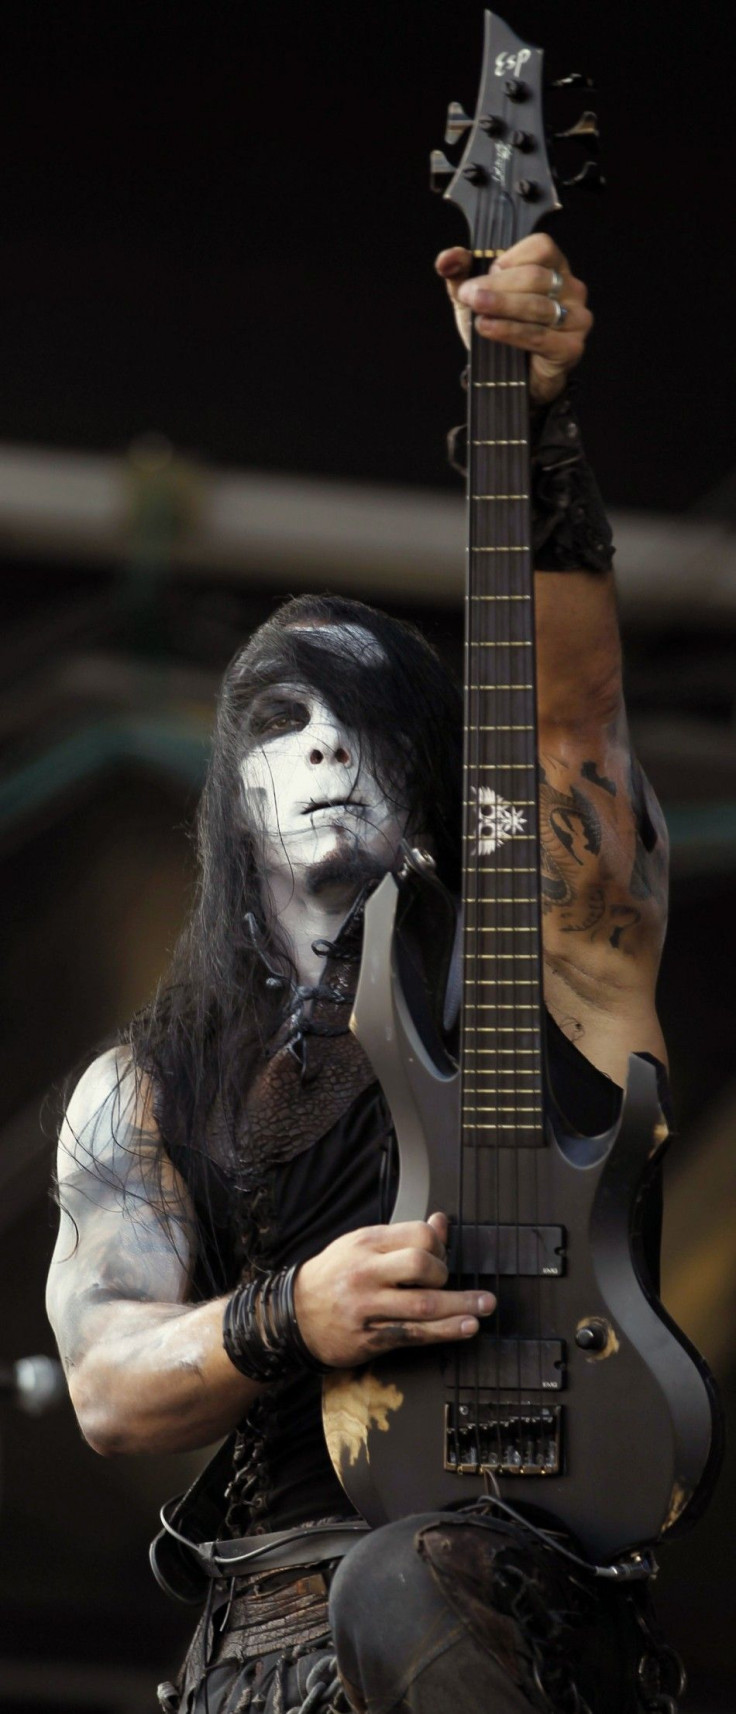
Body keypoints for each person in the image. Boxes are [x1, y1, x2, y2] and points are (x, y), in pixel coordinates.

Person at [46, 235, 680, 1714]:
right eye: (282, 715)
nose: (326, 742)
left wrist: (531, 415)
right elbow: (103, 1380)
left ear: (427, 768)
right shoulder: (143, 1082)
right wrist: (291, 1313)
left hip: (520, 1615)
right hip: (264, 1648)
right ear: (228, 787)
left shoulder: (556, 975)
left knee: (413, 1582)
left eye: (362, 716)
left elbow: (576, 724)